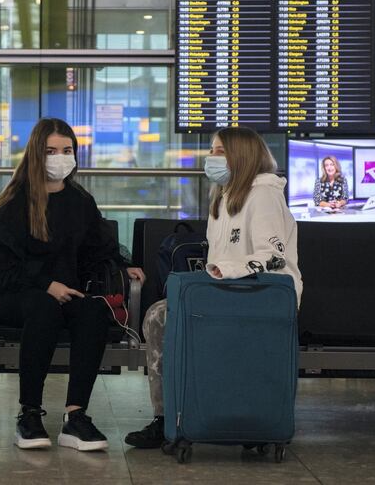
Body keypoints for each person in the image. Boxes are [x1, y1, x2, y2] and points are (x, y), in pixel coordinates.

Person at [124, 127, 302, 449]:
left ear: (242, 156)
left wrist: (224, 271)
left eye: (220, 152)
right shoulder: (223, 196)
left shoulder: (264, 194)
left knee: (159, 318)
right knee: (162, 314)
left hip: (261, 297)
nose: (212, 158)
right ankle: (174, 415)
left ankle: (169, 417)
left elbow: (273, 258)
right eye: (212, 151)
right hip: (231, 295)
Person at [0, 117, 145, 452]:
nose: (60, 157)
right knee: (45, 307)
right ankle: (30, 413)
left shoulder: (80, 201)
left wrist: (125, 266)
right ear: (37, 154)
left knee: (94, 312)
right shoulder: (15, 203)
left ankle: (75, 416)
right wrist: (46, 283)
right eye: (51, 150)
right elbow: (0, 265)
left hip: (64, 294)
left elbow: (98, 249)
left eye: (67, 150)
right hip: (16, 295)